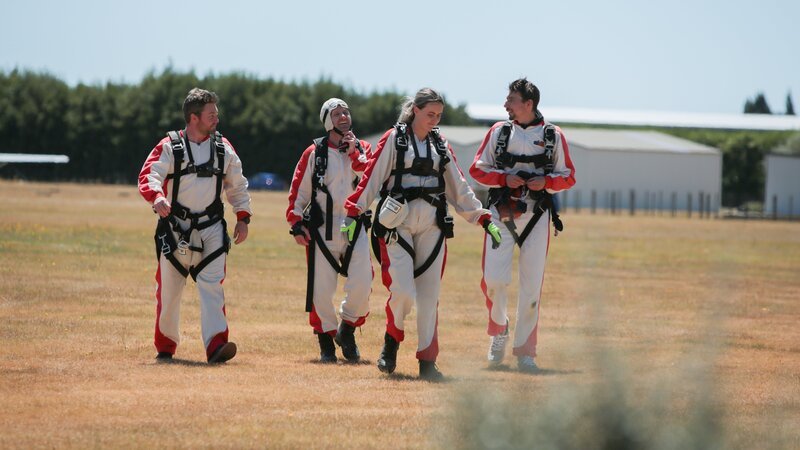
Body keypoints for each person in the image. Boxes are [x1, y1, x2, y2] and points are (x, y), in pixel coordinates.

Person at [344, 88, 502, 380]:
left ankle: (428, 361)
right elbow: (372, 176)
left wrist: (482, 217)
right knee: (402, 290)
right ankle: (391, 342)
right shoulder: (394, 139)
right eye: (430, 114)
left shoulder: (441, 145)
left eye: (439, 116)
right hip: (397, 225)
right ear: (415, 110)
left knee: (429, 298)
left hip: (433, 227)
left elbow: (459, 186)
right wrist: (354, 212)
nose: (434, 120)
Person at [138, 88, 252, 364]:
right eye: (211, 115)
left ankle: (216, 346)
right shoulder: (169, 147)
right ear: (193, 118)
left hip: (212, 229)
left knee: (212, 285)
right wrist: (158, 198)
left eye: (216, 114)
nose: (216, 119)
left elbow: (237, 184)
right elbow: (149, 175)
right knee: (170, 290)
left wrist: (243, 216)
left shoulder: (224, 148)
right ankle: (166, 347)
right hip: (175, 229)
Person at [469, 78, 576, 372]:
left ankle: (526, 351)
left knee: (531, 286)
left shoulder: (553, 135)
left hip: (537, 216)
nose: (505, 104)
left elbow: (568, 176)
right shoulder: (498, 132)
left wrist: (548, 182)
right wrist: (504, 179)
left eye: (511, 99)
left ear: (528, 104)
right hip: (501, 213)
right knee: (494, 279)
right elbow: (477, 168)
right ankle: (499, 329)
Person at [286, 98, 373, 363]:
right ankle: (326, 342)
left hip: (353, 225)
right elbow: (298, 191)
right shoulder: (314, 152)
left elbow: (372, 176)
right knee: (321, 291)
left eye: (346, 112)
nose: (343, 116)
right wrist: (296, 222)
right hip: (322, 229)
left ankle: (347, 329)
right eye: (336, 114)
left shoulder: (365, 149)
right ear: (327, 121)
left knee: (363, 282)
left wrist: (354, 153)